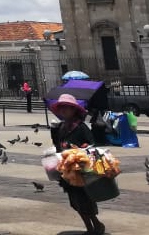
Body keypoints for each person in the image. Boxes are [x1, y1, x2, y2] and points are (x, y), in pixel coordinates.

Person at [50, 93, 105, 235]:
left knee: (84, 199)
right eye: (62, 108)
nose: (64, 110)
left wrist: (82, 147)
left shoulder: (80, 127)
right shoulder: (61, 127)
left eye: (67, 108)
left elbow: (91, 144)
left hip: (81, 169)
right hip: (68, 170)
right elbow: (57, 146)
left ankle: (95, 225)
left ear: (74, 110)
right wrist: (53, 131)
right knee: (75, 202)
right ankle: (90, 227)